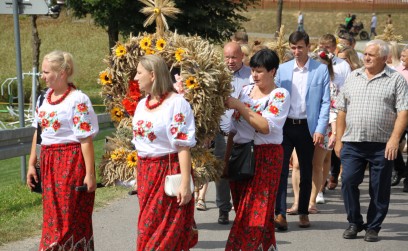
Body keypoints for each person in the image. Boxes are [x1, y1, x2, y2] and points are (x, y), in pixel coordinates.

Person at [335, 39, 408, 242]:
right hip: (353, 142)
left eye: (371, 55)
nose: (366, 57)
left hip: (382, 144)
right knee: (348, 181)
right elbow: (341, 109)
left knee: (378, 187)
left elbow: (403, 111)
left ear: (384, 58)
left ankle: (373, 227)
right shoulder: (353, 77)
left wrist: (394, 140)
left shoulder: (396, 79)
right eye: (365, 54)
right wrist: (339, 139)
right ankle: (354, 222)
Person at [27, 50, 99, 249]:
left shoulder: (78, 99)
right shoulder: (44, 99)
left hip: (71, 161)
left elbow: (85, 139)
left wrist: (90, 174)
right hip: (49, 162)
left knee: (69, 220)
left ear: (62, 72)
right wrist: (33, 164)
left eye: (46, 72)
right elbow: (38, 133)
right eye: (42, 72)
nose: (42, 76)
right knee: (53, 218)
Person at [224, 48, 290, 250]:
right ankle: (266, 245)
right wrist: (225, 162)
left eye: (260, 70)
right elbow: (234, 131)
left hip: (266, 156)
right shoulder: (245, 91)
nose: (254, 75)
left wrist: (240, 107)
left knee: (253, 210)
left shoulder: (280, 94)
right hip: (241, 153)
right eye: (253, 70)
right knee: (246, 209)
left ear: (273, 71)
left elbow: (264, 126)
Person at [131, 55, 197, 250]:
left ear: (152, 75)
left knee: (164, 234)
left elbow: (183, 146)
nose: (135, 78)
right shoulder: (142, 104)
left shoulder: (176, 103)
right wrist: (138, 171)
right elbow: (139, 143)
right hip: (146, 173)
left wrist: (185, 183)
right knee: (147, 229)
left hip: (167, 170)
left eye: (139, 73)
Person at [274, 31, 331, 230]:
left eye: (300, 47)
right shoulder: (283, 69)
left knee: (306, 170)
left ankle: (304, 211)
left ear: (308, 47)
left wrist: (320, 129)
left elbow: (325, 102)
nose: (296, 51)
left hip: (308, 127)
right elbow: (277, 98)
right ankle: (280, 213)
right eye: (293, 47)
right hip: (285, 126)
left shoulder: (320, 70)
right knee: (281, 171)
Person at [287, 48, 336, 214]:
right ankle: (297, 201)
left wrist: (331, 131)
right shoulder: (300, 76)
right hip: (302, 126)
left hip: (324, 127)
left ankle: (312, 200)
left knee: (316, 165)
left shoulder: (332, 84)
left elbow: (332, 107)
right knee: (298, 164)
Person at [216, 41, 252, 225]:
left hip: (243, 133)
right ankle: (223, 209)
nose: (230, 61)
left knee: (242, 172)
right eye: (227, 57)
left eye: (234, 57)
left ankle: (243, 209)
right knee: (222, 170)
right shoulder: (216, 74)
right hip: (222, 130)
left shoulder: (251, 75)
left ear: (242, 57)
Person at [318, 34, 351, 191]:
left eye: (328, 47)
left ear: (334, 48)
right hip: (319, 110)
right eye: (322, 47)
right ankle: (319, 183)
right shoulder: (316, 62)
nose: (325, 50)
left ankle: (333, 174)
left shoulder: (342, 65)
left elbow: (347, 87)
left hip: (336, 110)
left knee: (334, 144)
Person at [393, 45, 408, 192]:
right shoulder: (397, 71)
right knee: (394, 140)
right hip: (400, 113)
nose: (402, 59)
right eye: (401, 56)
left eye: (404, 57)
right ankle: (400, 168)